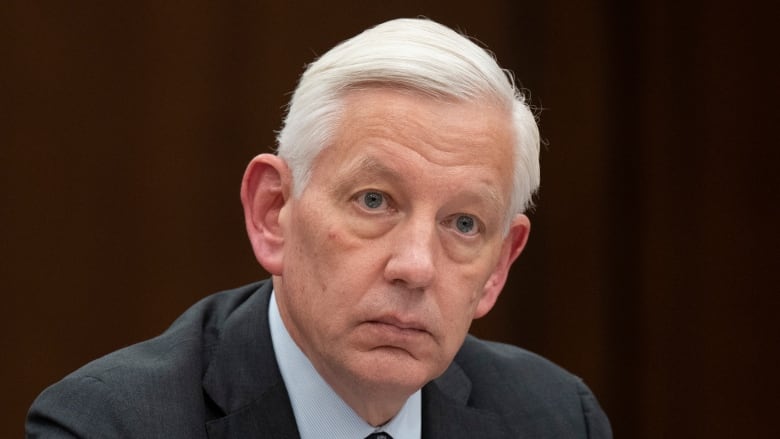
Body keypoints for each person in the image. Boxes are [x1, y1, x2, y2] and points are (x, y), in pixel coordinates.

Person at [26, 18, 611, 438]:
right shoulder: (107, 425)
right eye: (375, 200)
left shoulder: (557, 417)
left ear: (499, 266)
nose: (415, 266)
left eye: (463, 223)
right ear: (272, 213)